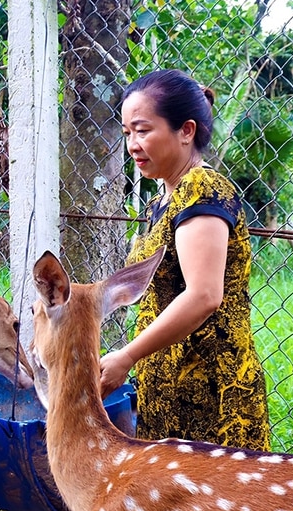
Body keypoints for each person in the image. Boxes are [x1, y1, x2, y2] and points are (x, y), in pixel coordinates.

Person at [99, 69, 270, 451]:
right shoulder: (162, 198)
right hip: (165, 387)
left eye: (143, 131)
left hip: (211, 394)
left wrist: (127, 355)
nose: (132, 145)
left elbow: (204, 295)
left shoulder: (203, 190)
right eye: (127, 133)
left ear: (186, 131)